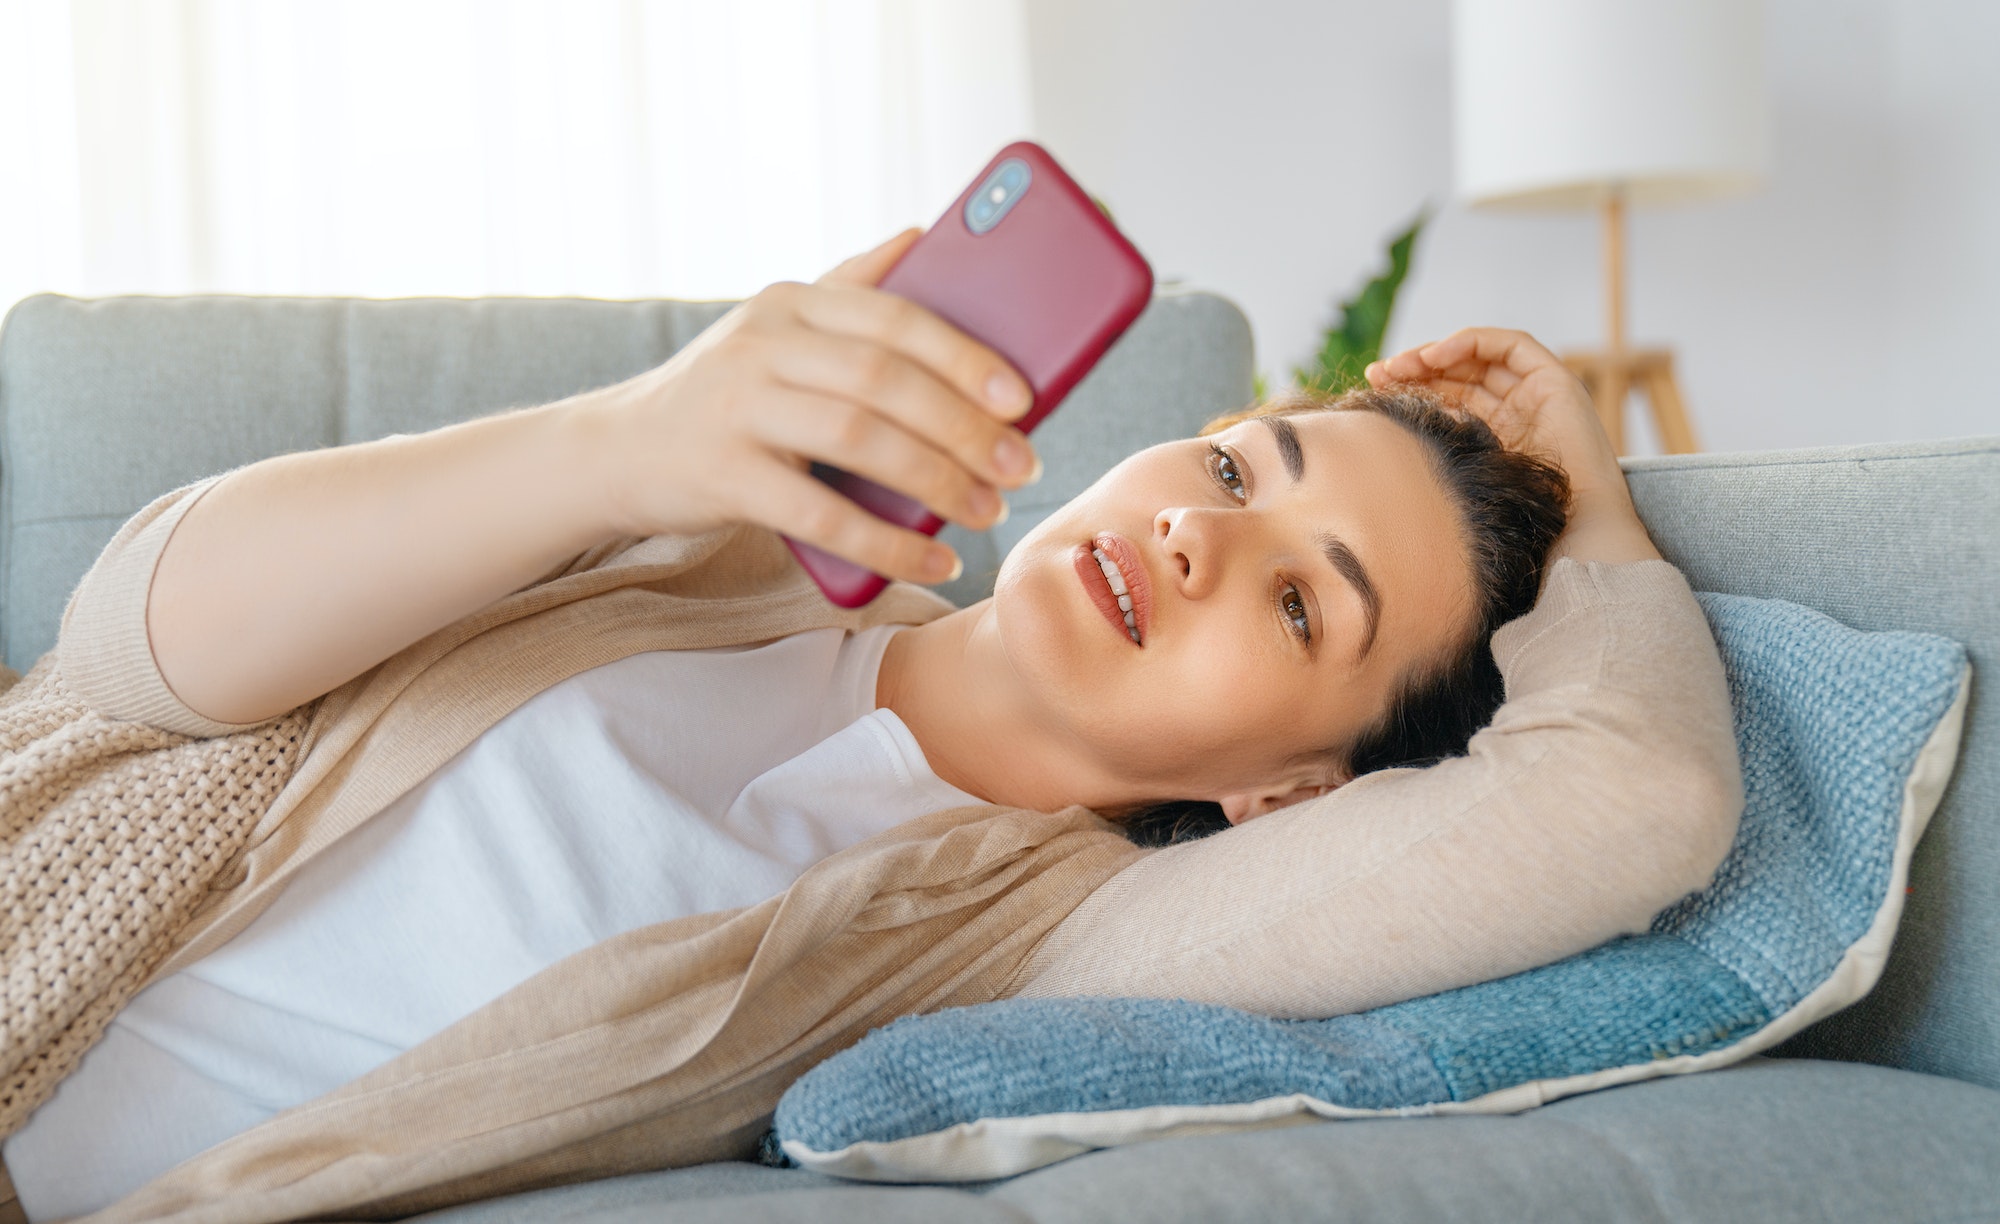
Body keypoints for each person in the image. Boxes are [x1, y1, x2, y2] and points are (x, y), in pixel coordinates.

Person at [0, 231, 1741, 1220]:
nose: (1209, 533)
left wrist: (1593, 512)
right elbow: (126, 663)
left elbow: (1627, 796)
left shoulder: (1057, 942)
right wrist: (627, 443)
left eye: (1303, 604)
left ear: (1288, 788)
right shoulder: (722, 532)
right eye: (1232, 466)